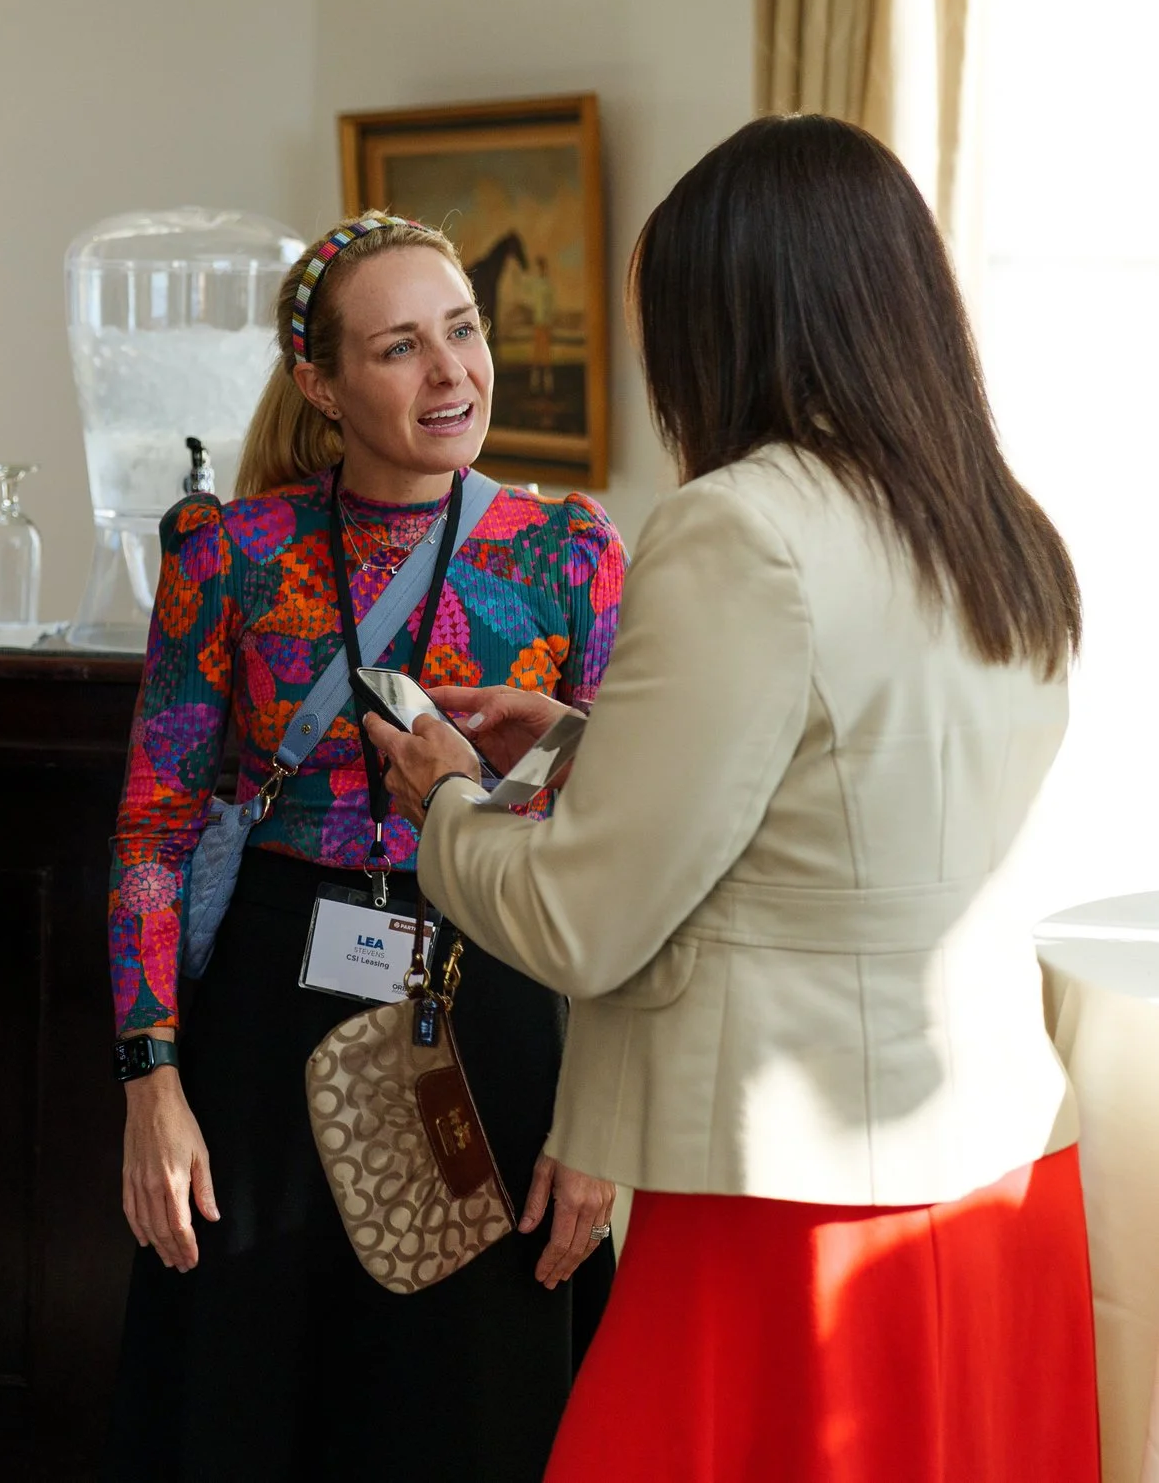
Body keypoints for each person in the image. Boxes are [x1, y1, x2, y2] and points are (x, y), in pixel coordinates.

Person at [367, 114, 1098, 1483]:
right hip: (998, 1161)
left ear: (732, 321)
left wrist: (451, 802)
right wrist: (586, 740)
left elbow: (584, 918)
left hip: (796, 1193)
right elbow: (860, 791)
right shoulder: (997, 522)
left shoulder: (739, 525)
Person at [105, 212, 628, 1483]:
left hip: (497, 1008)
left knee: (472, 1411)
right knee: (249, 1405)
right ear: (320, 384)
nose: (451, 372)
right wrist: (149, 1085)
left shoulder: (571, 553)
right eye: (399, 346)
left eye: (461, 330)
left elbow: (627, 852)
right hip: (268, 1023)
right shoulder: (227, 556)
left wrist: (610, 1119)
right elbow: (155, 829)